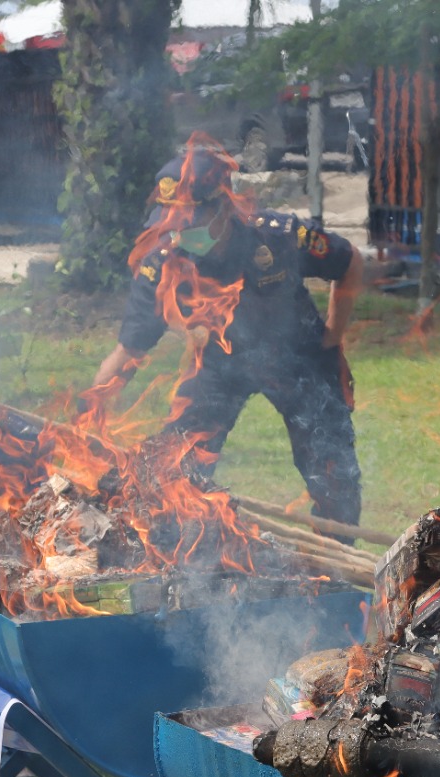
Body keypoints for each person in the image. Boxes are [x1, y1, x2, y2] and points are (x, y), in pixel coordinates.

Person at [93, 140, 366, 528]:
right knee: (176, 463)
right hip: (223, 361)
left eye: (187, 219)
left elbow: (350, 261)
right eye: (170, 219)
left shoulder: (276, 235)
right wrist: (91, 412)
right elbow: (126, 353)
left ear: (221, 207)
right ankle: (186, 553)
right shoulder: (164, 264)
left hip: (300, 356)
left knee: (333, 469)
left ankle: (336, 562)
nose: (178, 229)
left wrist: (333, 337)